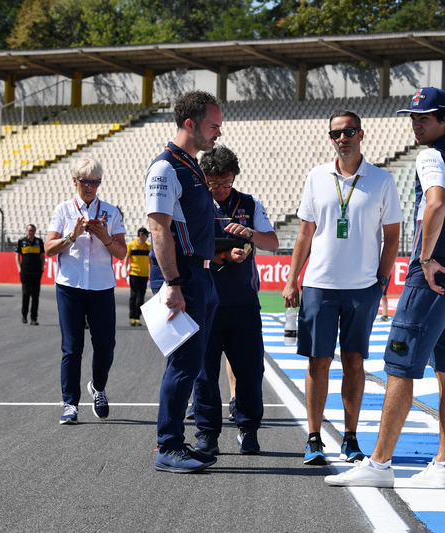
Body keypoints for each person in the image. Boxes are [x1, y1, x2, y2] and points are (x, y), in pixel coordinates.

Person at [324, 87, 445, 489]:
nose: (416, 123)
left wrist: (426, 259)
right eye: (413, 117)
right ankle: (444, 465)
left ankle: (379, 464)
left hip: (431, 278)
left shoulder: (431, 155)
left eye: (425, 117)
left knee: (399, 368)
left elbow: (436, 202)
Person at [282, 110, 404, 466]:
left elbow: (392, 237)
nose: (343, 138)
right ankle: (314, 437)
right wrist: (292, 279)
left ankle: (350, 438)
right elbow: (305, 232)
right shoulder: (317, 177)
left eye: (349, 131)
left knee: (354, 363)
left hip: (362, 288)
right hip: (319, 284)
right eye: (336, 133)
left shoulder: (381, 180)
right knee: (317, 362)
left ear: (361, 134)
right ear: (331, 138)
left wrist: (381, 281)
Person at [146, 90, 232, 474]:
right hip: (182, 277)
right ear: (189, 124)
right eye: (213, 125)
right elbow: (159, 229)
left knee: (193, 362)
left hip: (200, 273)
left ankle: (177, 442)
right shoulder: (166, 168)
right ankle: (168, 446)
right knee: (183, 363)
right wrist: (174, 283)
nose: (218, 132)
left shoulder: (192, 165)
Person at [190, 145, 279, 457]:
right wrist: (224, 254)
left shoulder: (250, 203)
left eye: (226, 182)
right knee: (204, 373)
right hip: (203, 301)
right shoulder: (194, 203)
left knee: (250, 370)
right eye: (213, 183)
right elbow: (186, 248)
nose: (220, 189)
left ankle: (248, 428)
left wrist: (250, 233)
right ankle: (207, 435)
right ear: (203, 179)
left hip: (242, 303)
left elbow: (273, 242)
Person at [44, 157, 127, 425]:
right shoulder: (63, 210)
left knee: (105, 346)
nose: (89, 187)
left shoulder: (111, 212)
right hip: (70, 286)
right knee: (72, 347)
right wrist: (71, 236)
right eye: (85, 181)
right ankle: (70, 403)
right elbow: (48, 249)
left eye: (95, 182)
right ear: (75, 181)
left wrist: (105, 238)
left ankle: (98, 387)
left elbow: (122, 252)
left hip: (102, 287)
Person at [15, 224, 45, 325]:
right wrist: (19, 268)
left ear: (35, 231)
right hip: (25, 272)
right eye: (29, 230)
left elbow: (43, 256)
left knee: (35, 296)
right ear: (26, 231)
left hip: (36, 272)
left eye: (32, 230)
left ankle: (34, 318)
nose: (31, 232)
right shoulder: (21, 242)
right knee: (25, 294)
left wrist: (41, 268)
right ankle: (24, 315)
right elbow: (17, 256)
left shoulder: (39, 242)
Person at [124, 227, 151, 326]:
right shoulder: (131, 245)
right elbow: (126, 259)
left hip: (144, 274)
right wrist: (125, 271)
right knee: (133, 295)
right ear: (141, 235)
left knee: (141, 297)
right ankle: (132, 317)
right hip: (134, 273)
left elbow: (150, 262)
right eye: (146, 235)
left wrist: (150, 273)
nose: (147, 237)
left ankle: (137, 317)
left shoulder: (148, 246)